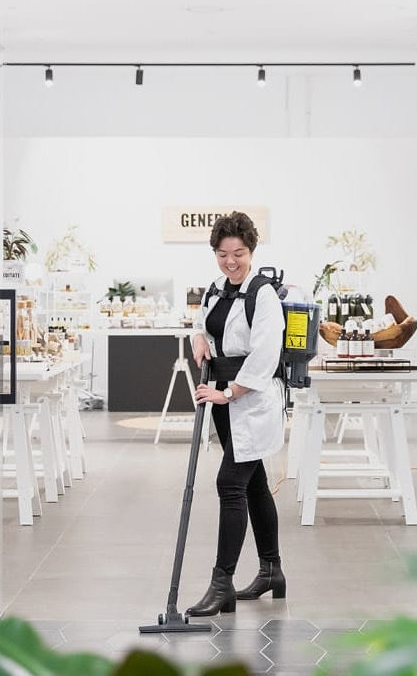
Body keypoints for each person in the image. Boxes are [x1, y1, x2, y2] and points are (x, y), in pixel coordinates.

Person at [187, 210, 287, 617]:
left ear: (252, 251)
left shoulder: (263, 295)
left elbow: (265, 355)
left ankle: (221, 583)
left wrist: (230, 392)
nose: (231, 262)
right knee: (254, 484)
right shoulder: (216, 288)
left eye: (239, 253)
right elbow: (202, 321)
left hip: (251, 399)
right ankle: (271, 571)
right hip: (223, 399)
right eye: (223, 254)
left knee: (231, 484)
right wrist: (197, 337)